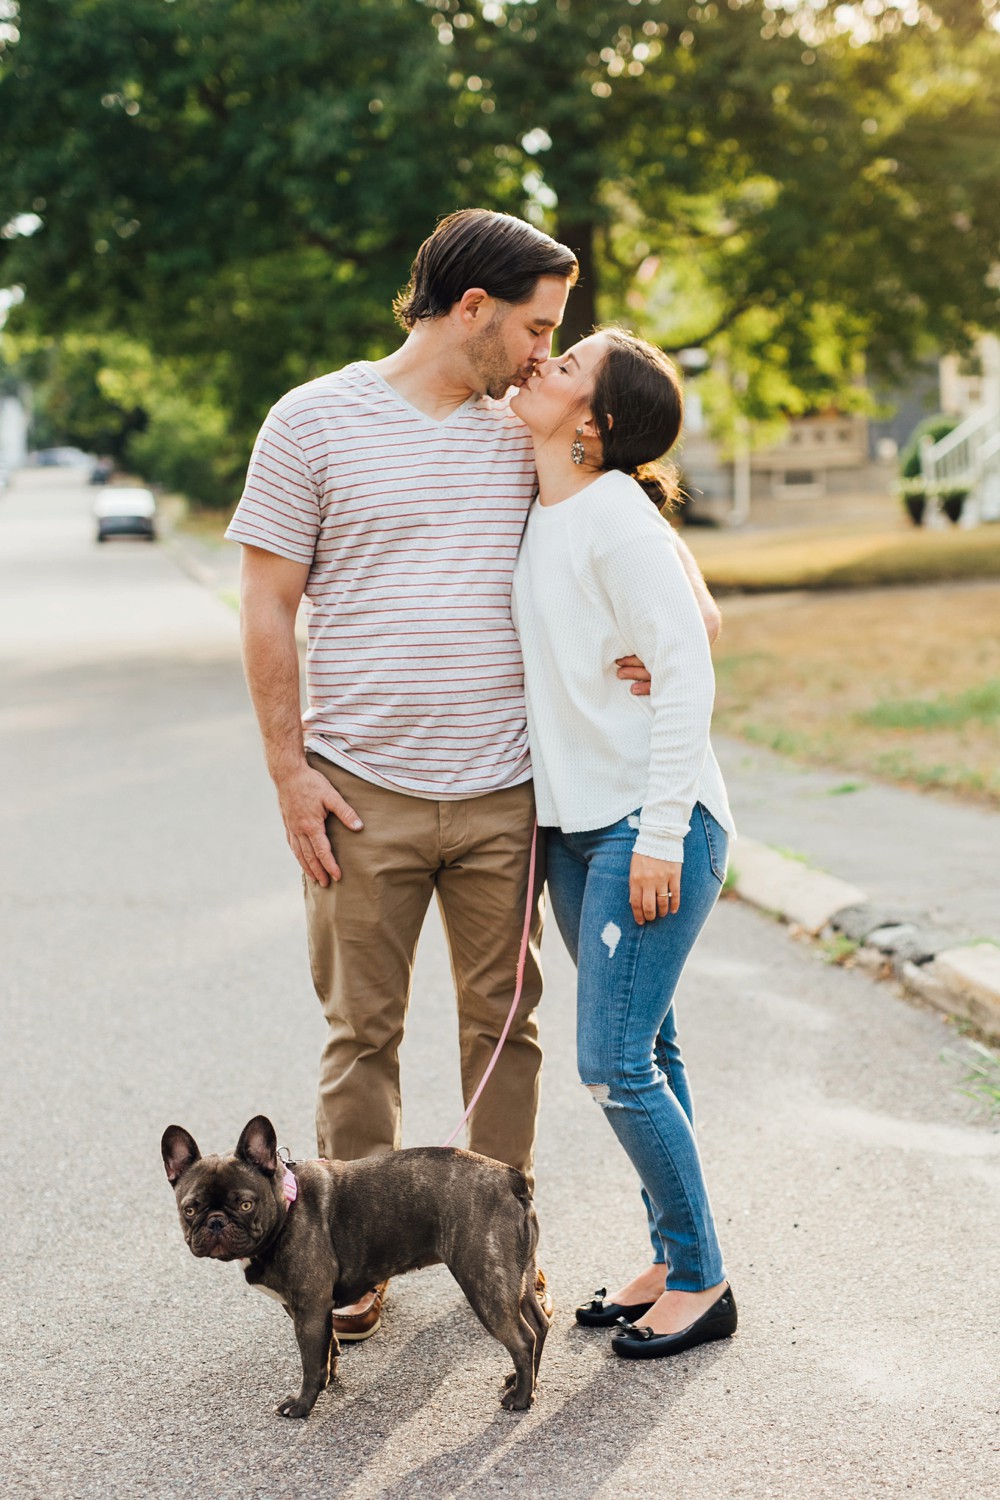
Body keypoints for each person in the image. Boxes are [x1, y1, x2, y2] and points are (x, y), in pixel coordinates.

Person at [226, 210, 721, 1343]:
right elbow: (266, 604)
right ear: (473, 309)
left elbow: (674, 588)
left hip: (509, 797)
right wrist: (288, 774)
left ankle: (500, 1241)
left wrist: (651, 651)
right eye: (538, 325)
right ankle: (347, 1259)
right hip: (361, 791)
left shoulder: (531, 431)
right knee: (362, 1034)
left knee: (508, 1025)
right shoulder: (312, 421)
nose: (547, 352)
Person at [510, 328, 738, 1360]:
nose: (541, 365)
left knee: (611, 1061)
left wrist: (656, 835)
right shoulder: (551, 501)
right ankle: (668, 1256)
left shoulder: (613, 521)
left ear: (592, 426)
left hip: (652, 826)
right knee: (652, 1047)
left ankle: (703, 1278)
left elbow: (688, 672)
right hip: (577, 826)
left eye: (565, 367)